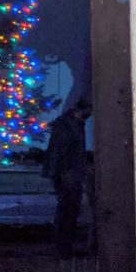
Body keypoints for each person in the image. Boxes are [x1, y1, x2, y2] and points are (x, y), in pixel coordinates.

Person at [42, 98, 91, 257]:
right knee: (68, 210)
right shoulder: (69, 127)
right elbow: (61, 153)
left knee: (68, 210)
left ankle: (64, 247)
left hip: (68, 174)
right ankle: (64, 248)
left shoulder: (68, 124)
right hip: (68, 174)